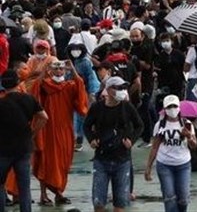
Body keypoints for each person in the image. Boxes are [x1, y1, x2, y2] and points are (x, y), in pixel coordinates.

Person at [30, 59, 89, 206]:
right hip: (47, 129)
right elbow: (34, 90)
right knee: (45, 161)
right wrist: (44, 71)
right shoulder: (44, 85)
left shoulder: (69, 86)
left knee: (63, 162)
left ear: (65, 71)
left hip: (65, 128)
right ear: (51, 71)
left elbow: (80, 90)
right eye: (55, 69)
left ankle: (58, 192)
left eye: (61, 69)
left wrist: (73, 69)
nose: (58, 72)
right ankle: (43, 195)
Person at [83, 76, 144, 212]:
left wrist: (131, 140)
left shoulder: (127, 107)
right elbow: (86, 125)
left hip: (122, 159)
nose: (123, 90)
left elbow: (139, 125)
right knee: (98, 202)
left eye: (124, 88)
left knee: (120, 203)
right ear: (109, 90)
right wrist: (91, 139)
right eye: (119, 88)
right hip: (101, 159)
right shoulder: (97, 107)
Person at [0, 70, 48, 212]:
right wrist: (33, 132)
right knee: (24, 187)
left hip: (3, 150)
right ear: (18, 82)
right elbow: (44, 117)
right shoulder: (28, 99)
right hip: (24, 148)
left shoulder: (1, 103)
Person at [144, 94, 197, 212]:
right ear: (165, 109)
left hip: (183, 164)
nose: (172, 109)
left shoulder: (186, 124)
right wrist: (148, 167)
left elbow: (194, 146)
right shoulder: (160, 125)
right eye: (169, 107)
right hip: (165, 164)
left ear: (178, 108)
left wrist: (189, 136)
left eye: (174, 106)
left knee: (183, 198)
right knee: (169, 197)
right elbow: (154, 147)